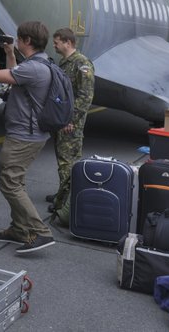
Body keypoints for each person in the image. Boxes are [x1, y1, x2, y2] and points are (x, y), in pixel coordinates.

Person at [0, 21, 56, 254]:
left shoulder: (34, 68)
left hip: (23, 135)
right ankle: (19, 229)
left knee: (9, 183)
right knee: (17, 181)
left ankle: (40, 231)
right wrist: (8, 53)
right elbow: (13, 76)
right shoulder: (39, 63)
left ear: (26, 41)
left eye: (19, 39)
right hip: (31, 134)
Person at [47, 27, 95, 214]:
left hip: (70, 123)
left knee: (68, 162)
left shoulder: (82, 64)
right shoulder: (65, 62)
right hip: (62, 120)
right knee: (63, 161)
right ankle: (62, 194)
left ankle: (64, 203)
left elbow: (85, 97)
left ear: (68, 42)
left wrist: (71, 120)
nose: (54, 45)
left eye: (57, 42)